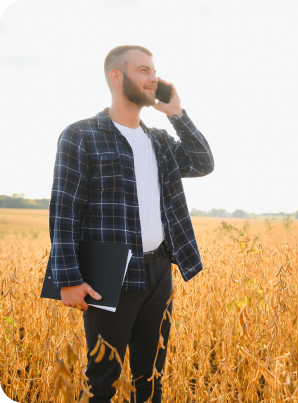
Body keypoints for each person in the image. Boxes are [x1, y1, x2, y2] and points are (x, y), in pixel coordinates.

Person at [49, 45, 214, 402]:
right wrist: (67, 280)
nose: (153, 77)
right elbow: (65, 210)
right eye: (143, 70)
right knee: (102, 381)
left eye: (154, 71)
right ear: (116, 76)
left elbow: (203, 162)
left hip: (159, 272)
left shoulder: (159, 141)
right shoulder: (81, 135)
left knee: (151, 376)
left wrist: (176, 113)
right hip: (109, 276)